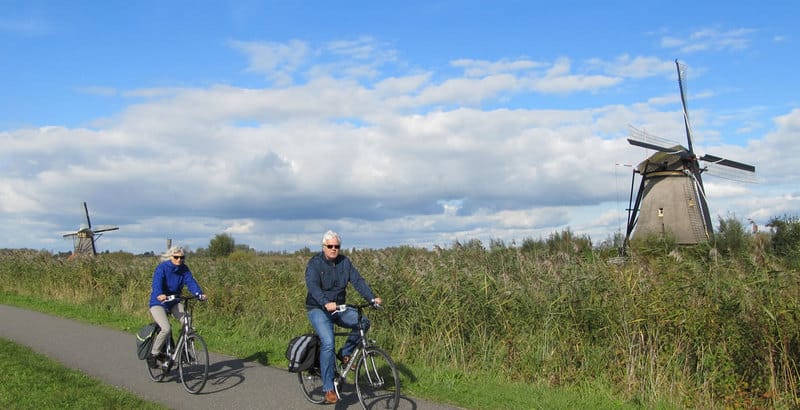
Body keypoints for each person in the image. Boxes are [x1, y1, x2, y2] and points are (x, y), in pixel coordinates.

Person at [305, 230, 383, 404]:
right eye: (330, 246)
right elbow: (312, 286)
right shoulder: (315, 264)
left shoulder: (345, 263)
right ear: (324, 247)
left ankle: (345, 353)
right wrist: (325, 302)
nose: (334, 249)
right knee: (328, 342)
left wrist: (371, 298)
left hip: (338, 308)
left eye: (337, 246)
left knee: (363, 322)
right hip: (318, 308)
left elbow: (358, 281)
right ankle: (328, 388)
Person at [147, 245, 207, 368]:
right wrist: (159, 294)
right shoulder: (162, 268)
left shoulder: (184, 269)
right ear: (171, 257)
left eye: (182, 257)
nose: (179, 260)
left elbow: (191, 282)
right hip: (159, 302)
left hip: (173, 301)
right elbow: (157, 282)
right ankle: (153, 354)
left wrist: (199, 294)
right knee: (166, 329)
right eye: (176, 257)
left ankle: (184, 349)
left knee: (187, 320)